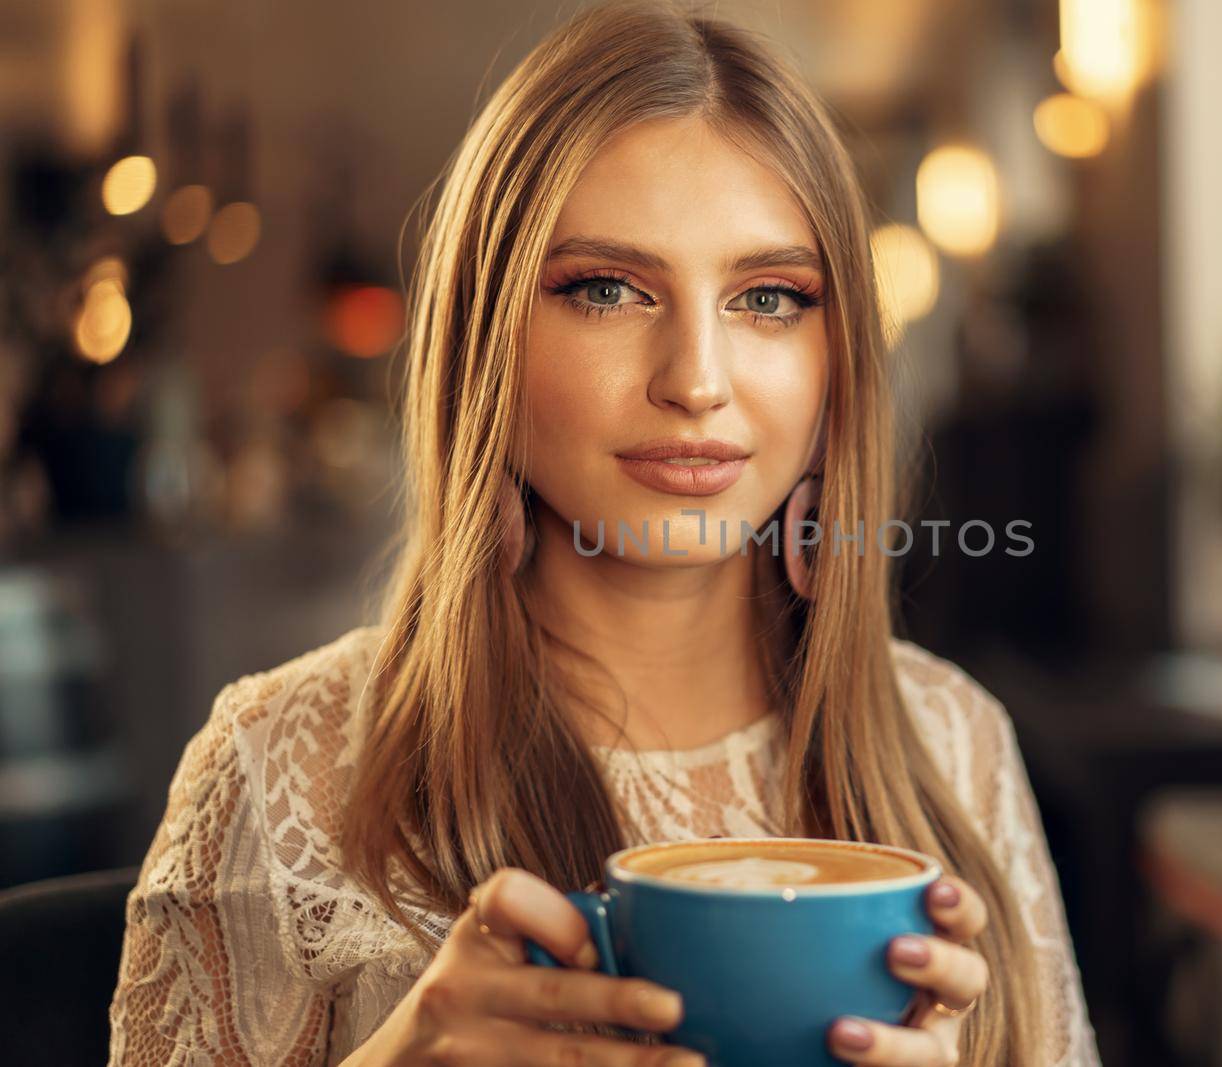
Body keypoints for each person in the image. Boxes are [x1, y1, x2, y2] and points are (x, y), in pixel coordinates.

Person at [106, 3, 1099, 1065]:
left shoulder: (956, 745)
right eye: (607, 289)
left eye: (768, 296)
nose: (696, 380)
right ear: (486, 337)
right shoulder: (273, 766)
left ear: (836, 355)